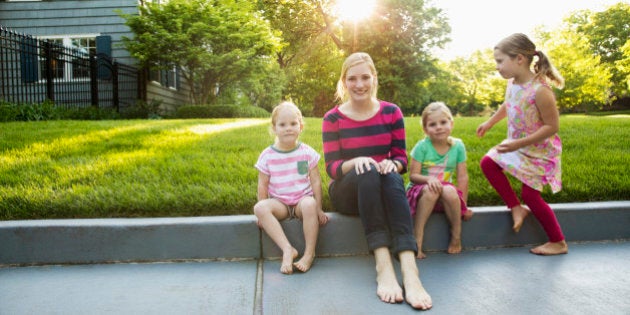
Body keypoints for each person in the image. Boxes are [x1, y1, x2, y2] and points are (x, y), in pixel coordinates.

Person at [322, 52, 432, 310]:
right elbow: (332, 167)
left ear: (374, 78)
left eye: (365, 77)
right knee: (368, 170)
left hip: (384, 187)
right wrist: (356, 161)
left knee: (389, 173)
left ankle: (409, 267)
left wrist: (391, 163)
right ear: (344, 81)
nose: (359, 84)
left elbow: (401, 159)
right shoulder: (333, 119)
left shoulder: (391, 112)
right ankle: (383, 265)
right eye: (352, 79)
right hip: (347, 193)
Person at [476, 33, 568, 256]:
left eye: (500, 61)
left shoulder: (541, 90)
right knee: (488, 163)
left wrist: (520, 143)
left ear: (519, 59)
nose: (497, 66)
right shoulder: (512, 83)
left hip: (539, 151)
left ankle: (558, 242)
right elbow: (508, 105)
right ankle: (516, 208)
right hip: (518, 145)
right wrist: (490, 122)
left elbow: (551, 126)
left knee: (530, 195)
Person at [254, 101, 329, 274]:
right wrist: (262, 215)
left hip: (301, 202)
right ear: (274, 128)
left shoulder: (306, 152)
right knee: (259, 207)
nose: (288, 128)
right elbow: (262, 185)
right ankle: (288, 249)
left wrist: (319, 208)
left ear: (301, 126)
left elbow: (316, 181)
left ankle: (309, 253)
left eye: (293, 124)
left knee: (309, 204)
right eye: (282, 124)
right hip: (280, 203)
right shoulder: (267, 155)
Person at [406, 102, 473, 259]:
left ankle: (456, 235)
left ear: (451, 123)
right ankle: (417, 239)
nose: (439, 127)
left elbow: (462, 177)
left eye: (443, 122)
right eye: (432, 124)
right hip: (420, 193)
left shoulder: (458, 146)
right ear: (425, 129)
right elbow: (413, 176)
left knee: (449, 190)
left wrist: (464, 204)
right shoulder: (422, 147)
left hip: (444, 195)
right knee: (432, 189)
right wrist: (429, 179)